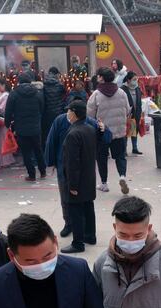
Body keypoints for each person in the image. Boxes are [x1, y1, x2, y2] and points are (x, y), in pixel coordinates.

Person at [61, 100, 100, 254]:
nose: (67, 114)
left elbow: (72, 163)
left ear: (75, 113)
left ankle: (78, 243)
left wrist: (73, 186)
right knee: (88, 207)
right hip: (89, 177)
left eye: (69, 111)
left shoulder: (73, 133)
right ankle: (90, 235)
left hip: (77, 180)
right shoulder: (90, 128)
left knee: (76, 210)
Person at [87, 67, 131, 194]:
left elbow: (89, 115)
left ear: (101, 78)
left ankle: (104, 184)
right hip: (119, 132)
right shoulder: (122, 93)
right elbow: (127, 110)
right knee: (120, 156)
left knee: (102, 158)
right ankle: (122, 176)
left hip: (102, 133)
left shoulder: (96, 94)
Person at [5, 73, 47, 182]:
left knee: (26, 152)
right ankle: (43, 172)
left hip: (21, 128)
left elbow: (8, 111)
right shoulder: (37, 93)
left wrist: (7, 123)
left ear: (18, 82)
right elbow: (42, 108)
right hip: (35, 127)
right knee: (38, 149)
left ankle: (31, 175)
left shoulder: (14, 94)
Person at [121, 71, 143, 156]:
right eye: (134, 79)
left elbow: (139, 102)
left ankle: (135, 148)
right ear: (128, 80)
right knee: (126, 133)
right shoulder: (123, 89)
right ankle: (124, 150)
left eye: (136, 79)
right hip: (126, 115)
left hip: (135, 113)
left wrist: (140, 113)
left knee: (134, 131)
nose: (136, 81)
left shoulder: (137, 88)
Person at [42, 67, 66, 144]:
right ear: (56, 74)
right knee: (58, 133)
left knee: (49, 133)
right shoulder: (60, 85)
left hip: (47, 113)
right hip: (58, 113)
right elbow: (64, 95)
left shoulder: (44, 85)